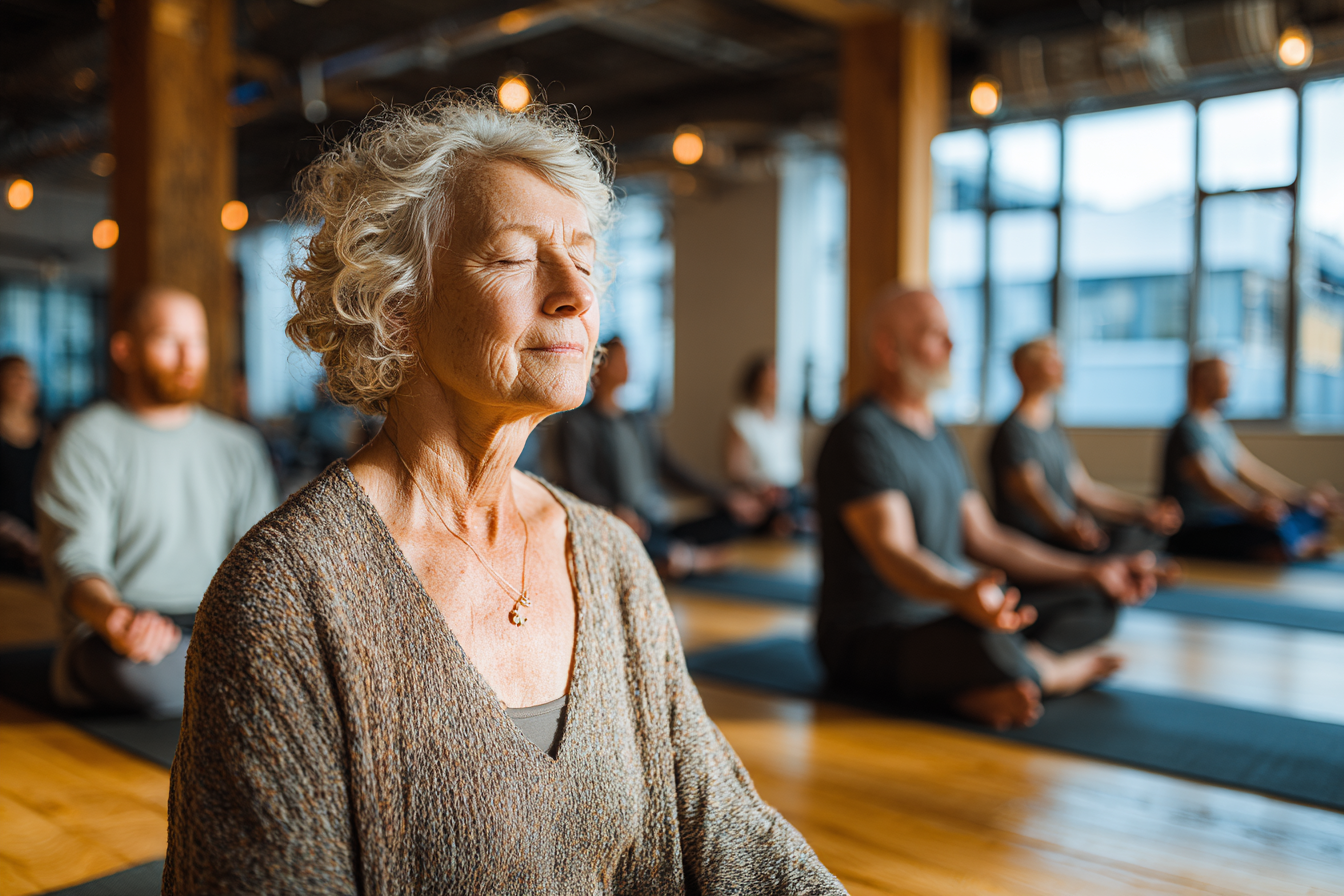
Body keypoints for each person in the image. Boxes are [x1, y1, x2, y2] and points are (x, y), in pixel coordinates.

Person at [164, 97, 843, 894]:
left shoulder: (609, 556)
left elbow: (722, 822)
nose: (575, 294)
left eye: (584, 260)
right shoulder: (287, 595)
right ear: (397, 308)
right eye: (517, 258)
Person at [815, 285, 1159, 731]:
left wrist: (1090, 571)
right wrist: (961, 592)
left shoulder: (939, 436)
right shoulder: (861, 435)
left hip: (952, 611)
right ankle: (1051, 674)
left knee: (1094, 600)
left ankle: (999, 677)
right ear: (889, 349)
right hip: (876, 632)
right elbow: (895, 553)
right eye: (934, 334)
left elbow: (987, 537)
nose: (953, 346)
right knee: (981, 642)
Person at [34, 287, 276, 718]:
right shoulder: (86, 439)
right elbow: (75, 561)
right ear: (125, 350)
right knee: (148, 674)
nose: (187, 357)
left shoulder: (239, 446)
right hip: (122, 632)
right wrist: (117, 620)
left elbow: (258, 566)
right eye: (168, 340)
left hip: (218, 626)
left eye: (197, 341)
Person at [556, 336, 769, 576]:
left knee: (732, 518)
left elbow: (672, 469)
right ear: (599, 366)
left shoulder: (639, 420)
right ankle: (684, 558)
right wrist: (614, 510)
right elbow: (579, 482)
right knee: (625, 535)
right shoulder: (578, 424)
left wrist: (726, 496)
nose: (628, 365)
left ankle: (675, 555)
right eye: (621, 359)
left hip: (655, 518)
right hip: (620, 521)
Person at [989, 337, 1182, 554]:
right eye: (1052, 362)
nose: (1062, 367)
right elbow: (1033, 496)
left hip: (1066, 534)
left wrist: (1144, 512)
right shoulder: (1014, 432)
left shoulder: (1051, 428)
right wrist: (1068, 527)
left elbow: (1084, 490)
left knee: (1147, 532)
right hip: (1038, 544)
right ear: (1025, 370)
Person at [1161, 356, 1340, 562]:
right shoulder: (1187, 429)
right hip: (1197, 526)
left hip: (1225, 517)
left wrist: (1302, 497)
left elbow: (1252, 471)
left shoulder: (1218, 427)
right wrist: (1254, 507)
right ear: (1202, 381)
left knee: (1309, 511)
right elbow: (1213, 484)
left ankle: (1293, 545)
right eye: (1225, 380)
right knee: (1270, 526)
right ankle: (1296, 546)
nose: (1231, 387)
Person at [725, 355, 808, 536]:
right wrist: (761, 488)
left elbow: (794, 467)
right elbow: (735, 470)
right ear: (756, 381)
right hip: (762, 493)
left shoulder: (789, 420)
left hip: (791, 492)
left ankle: (790, 522)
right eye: (770, 376)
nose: (775, 381)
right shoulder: (742, 420)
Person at [0, 355, 43, 577]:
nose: (24, 384)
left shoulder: (48, 434)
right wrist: (23, 540)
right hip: (7, 556)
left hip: (43, 551)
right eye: (16, 378)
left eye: (28, 378)